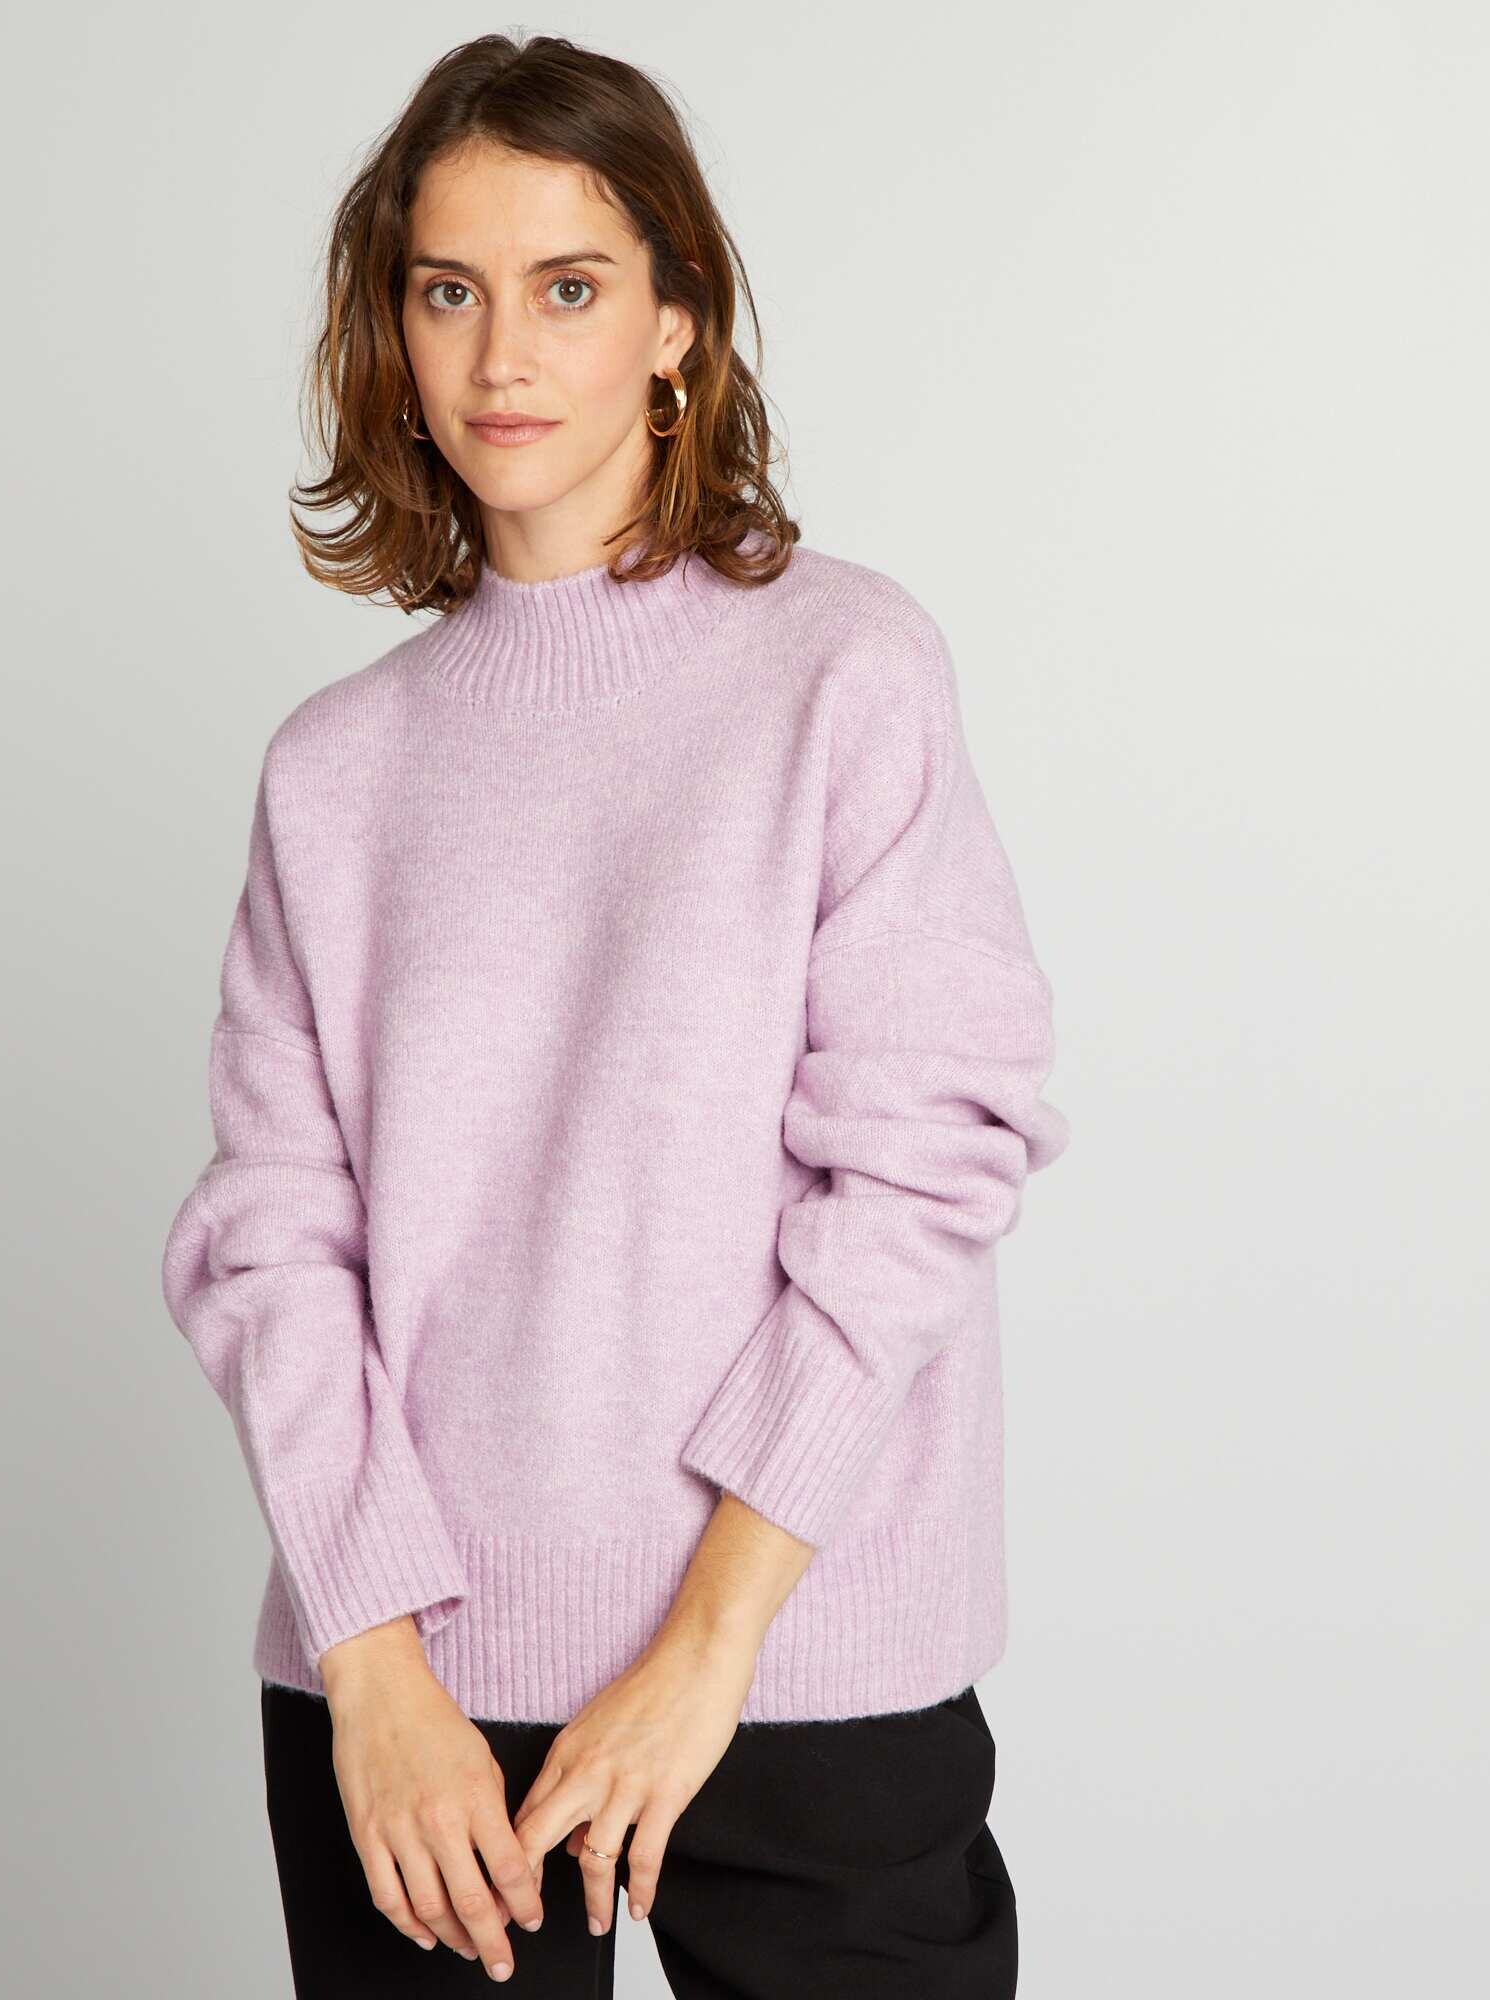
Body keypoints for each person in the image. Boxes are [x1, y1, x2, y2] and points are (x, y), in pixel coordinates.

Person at [158, 31, 1070, 1998]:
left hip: (795, 1664)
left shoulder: (843, 671)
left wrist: (708, 1645)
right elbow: (270, 1245)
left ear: (675, 321)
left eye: (567, 288)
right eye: (447, 291)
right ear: (391, 332)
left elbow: (921, 1166)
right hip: (416, 1713)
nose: (502, 355)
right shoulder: (335, 773)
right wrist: (370, 1663)